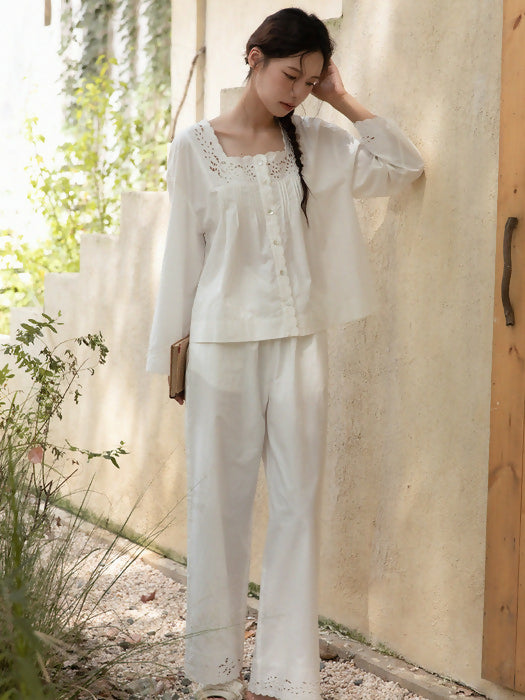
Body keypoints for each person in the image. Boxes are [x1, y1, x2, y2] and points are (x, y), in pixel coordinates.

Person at [146, 7, 424, 700]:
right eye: (290, 76)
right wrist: (174, 364)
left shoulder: (318, 142)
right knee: (218, 507)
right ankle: (212, 673)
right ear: (254, 58)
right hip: (219, 349)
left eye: (309, 81)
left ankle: (285, 676)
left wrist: (341, 98)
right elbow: (182, 259)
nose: (296, 92)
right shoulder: (194, 148)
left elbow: (402, 166)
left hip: (298, 346)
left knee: (299, 504)